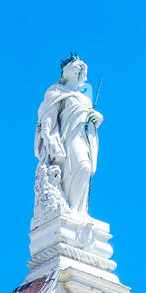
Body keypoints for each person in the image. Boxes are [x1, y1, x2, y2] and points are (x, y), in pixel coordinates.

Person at [35, 55, 103, 216]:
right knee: (80, 167)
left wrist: (97, 118)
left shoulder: (85, 99)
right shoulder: (56, 92)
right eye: (82, 71)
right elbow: (48, 115)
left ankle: (79, 211)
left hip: (83, 137)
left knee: (85, 169)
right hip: (67, 139)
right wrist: (49, 137)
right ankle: (72, 210)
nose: (84, 76)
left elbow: (88, 118)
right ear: (72, 72)